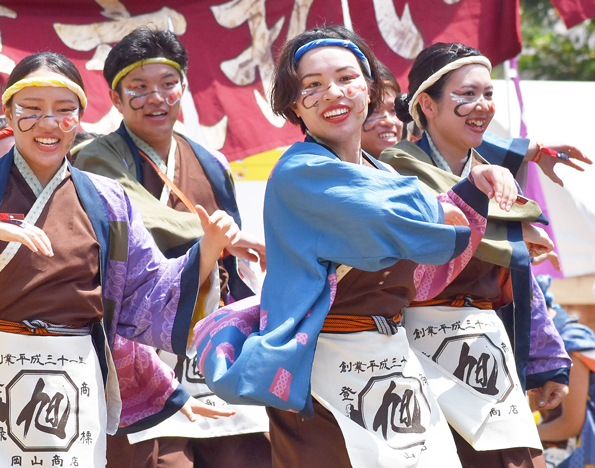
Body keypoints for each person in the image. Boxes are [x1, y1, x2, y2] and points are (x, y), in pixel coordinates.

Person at [194, 25, 522, 468]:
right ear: (294, 105)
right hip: (323, 371)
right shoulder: (301, 171)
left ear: (370, 89)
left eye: (347, 78)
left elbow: (425, 271)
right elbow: (396, 220)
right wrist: (443, 204)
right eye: (312, 85)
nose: (333, 93)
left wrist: (470, 190)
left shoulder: (384, 176)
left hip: (392, 359)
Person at [0, 52, 237, 467]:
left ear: (81, 115)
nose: (50, 123)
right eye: (31, 110)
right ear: (7, 112)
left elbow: (147, 295)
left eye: (64, 110)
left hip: (75, 373)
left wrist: (208, 250)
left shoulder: (107, 200)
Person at [72, 27, 271, 468]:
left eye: (168, 84)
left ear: (183, 89)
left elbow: (233, 256)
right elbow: (135, 216)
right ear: (116, 99)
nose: (156, 98)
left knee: (239, 451)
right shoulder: (95, 159)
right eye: (139, 89)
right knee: (158, 458)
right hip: (138, 333)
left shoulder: (211, 161)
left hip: (208, 331)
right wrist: (223, 240)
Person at [380, 42, 573, 468]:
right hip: (416, 348)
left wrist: (545, 361)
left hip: (486, 345)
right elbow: (431, 239)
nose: (482, 105)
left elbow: (515, 267)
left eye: (488, 94)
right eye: (466, 94)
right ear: (426, 104)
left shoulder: (491, 173)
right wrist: (506, 221)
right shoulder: (393, 167)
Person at [535, 276, 595, 468]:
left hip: (592, 451)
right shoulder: (553, 345)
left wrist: (521, 435)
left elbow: (571, 423)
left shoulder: (570, 346)